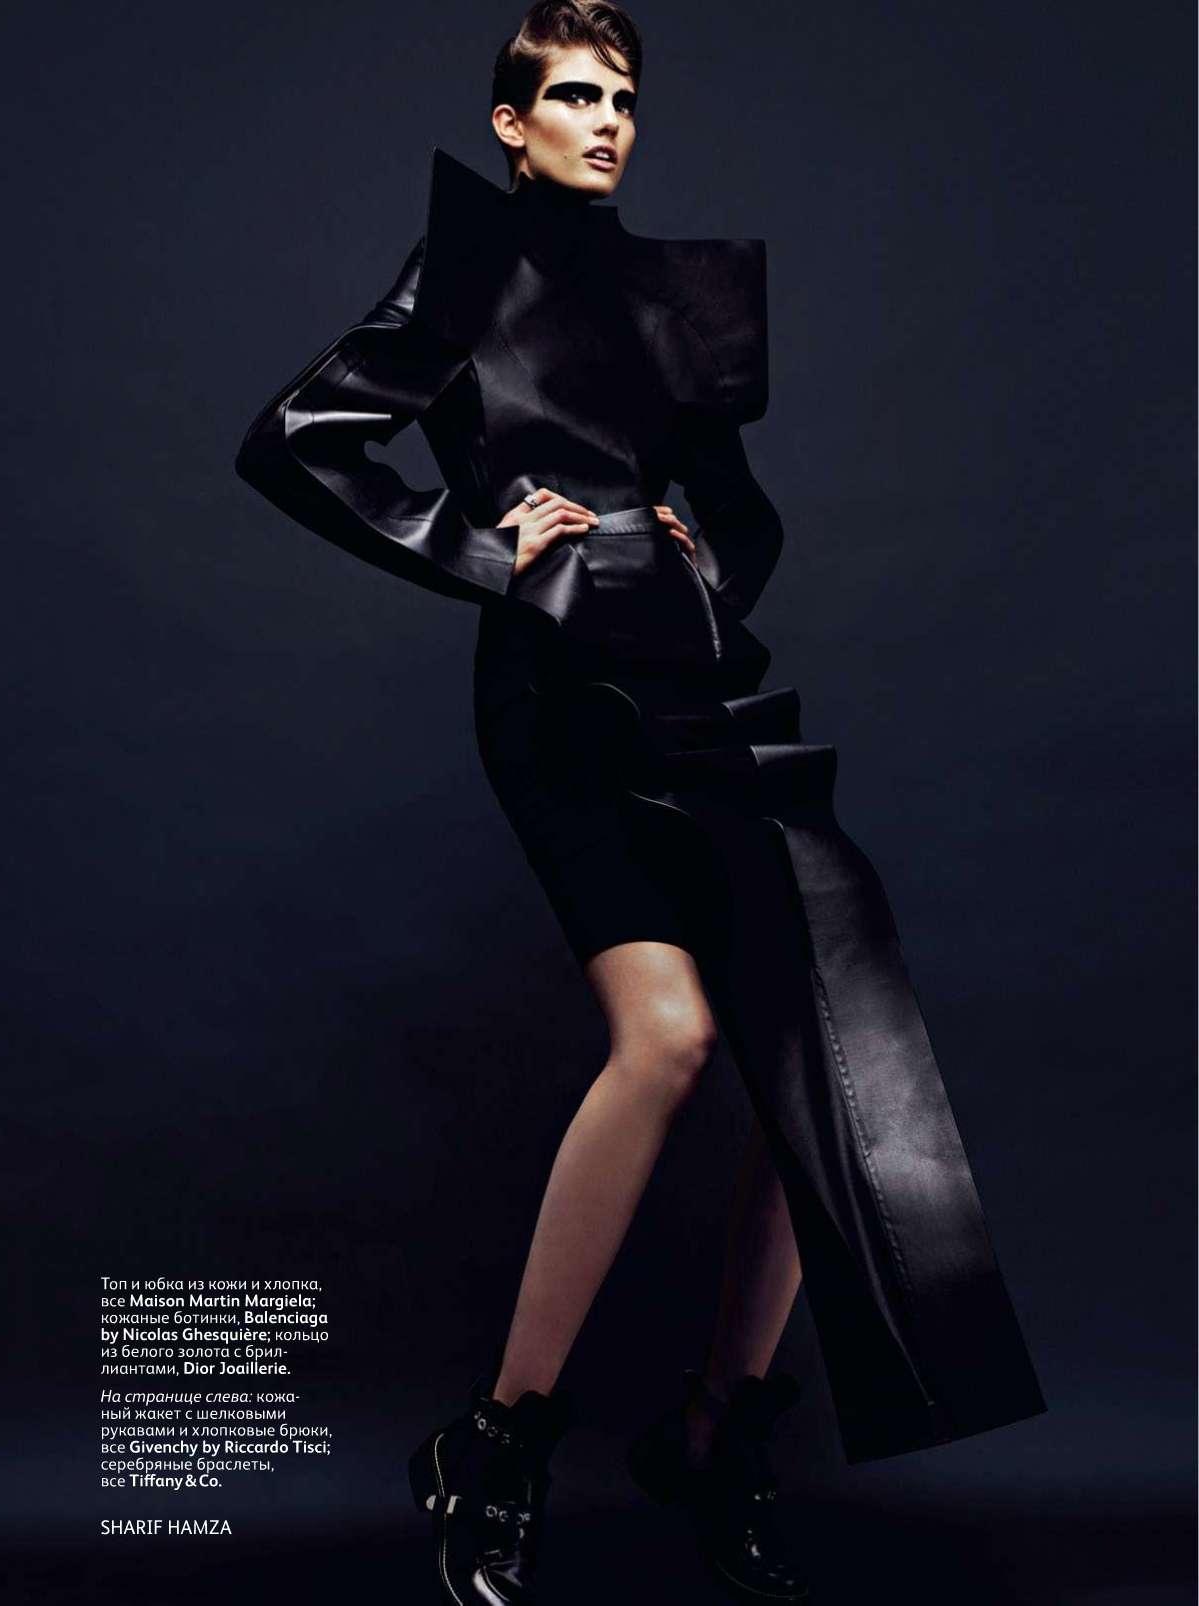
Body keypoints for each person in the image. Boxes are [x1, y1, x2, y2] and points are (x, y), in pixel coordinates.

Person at [234, 4, 1047, 1601]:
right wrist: (482, 546)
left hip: (696, 694)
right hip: (556, 705)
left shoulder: (674, 295)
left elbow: (744, 514)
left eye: (623, 99)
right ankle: (499, 1437)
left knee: (828, 1052)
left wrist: (697, 548)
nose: (607, 121)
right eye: (576, 96)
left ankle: (717, 1429)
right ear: (511, 120)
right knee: (666, 1040)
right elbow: (296, 440)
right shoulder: (464, 268)